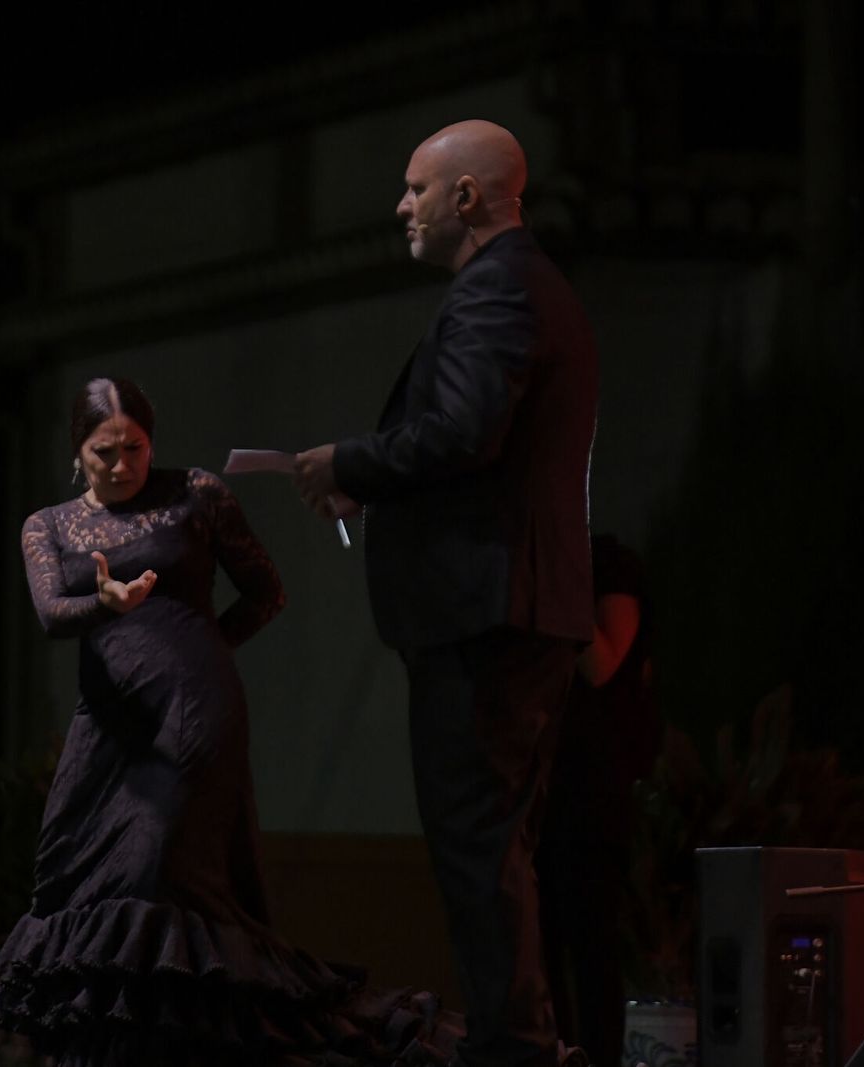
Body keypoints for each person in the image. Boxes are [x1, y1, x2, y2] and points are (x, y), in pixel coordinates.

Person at [0, 377, 461, 1067]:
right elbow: (52, 612)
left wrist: (198, 652)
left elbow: (268, 591)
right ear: (77, 451)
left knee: (153, 870)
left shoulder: (196, 494)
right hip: (109, 723)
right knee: (74, 880)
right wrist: (108, 606)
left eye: (135, 448)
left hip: (192, 712)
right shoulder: (50, 524)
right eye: (103, 452)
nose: (121, 466)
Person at [292, 120, 599, 1067]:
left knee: (478, 853)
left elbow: (466, 430)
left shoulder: (496, 291)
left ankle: (513, 1050)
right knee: (503, 852)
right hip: (521, 612)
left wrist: (351, 460)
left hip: (484, 618)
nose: (401, 207)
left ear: (466, 198)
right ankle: (531, 1041)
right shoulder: (536, 289)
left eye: (416, 188)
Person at [537, 534, 659, 1067]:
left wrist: (555, 582)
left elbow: (603, 663)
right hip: (541, 785)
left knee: (591, 944)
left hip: (591, 789)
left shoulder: (605, 564)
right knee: (539, 945)